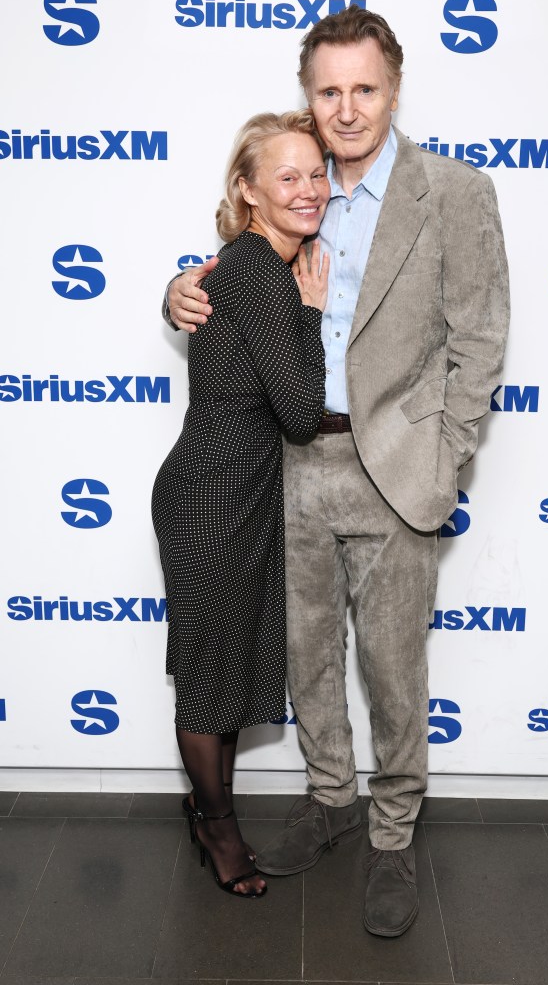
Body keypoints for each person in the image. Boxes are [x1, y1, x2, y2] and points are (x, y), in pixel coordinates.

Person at [165, 6, 509, 934]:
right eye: (328, 91)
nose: (346, 109)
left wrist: (445, 454)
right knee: (307, 658)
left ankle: (392, 837)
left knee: (393, 668)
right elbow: (231, 274)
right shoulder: (296, 184)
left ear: (393, 90)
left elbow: (479, 340)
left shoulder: (455, 191)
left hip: (395, 467)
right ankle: (330, 801)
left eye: (364, 89)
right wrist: (176, 290)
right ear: (307, 98)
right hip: (287, 462)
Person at [152, 110, 330, 898]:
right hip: (210, 497)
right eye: (286, 176)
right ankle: (217, 828)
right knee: (208, 674)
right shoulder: (260, 271)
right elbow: (299, 412)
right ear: (247, 191)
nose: (307, 189)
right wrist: (311, 315)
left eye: (316, 173)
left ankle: (208, 808)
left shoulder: (253, 264)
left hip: (238, 491)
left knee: (222, 667)